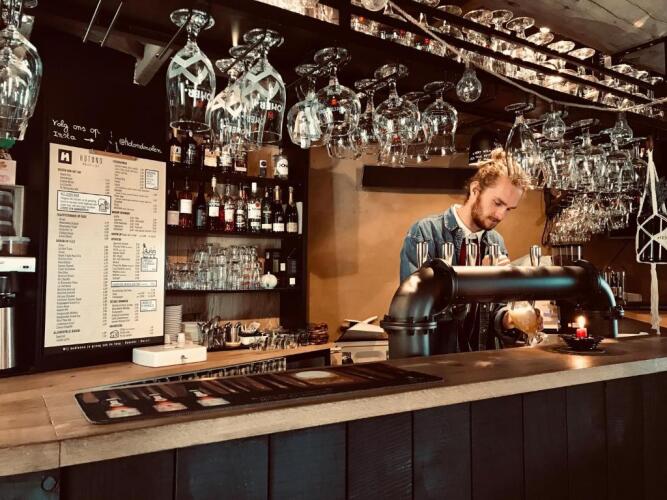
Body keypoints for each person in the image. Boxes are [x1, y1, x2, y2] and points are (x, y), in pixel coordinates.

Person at [399, 149, 541, 352]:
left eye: (509, 209)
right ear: (475, 190)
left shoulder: (496, 242)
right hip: (437, 362)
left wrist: (508, 319)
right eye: (497, 203)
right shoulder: (425, 233)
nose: (500, 215)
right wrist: (478, 282)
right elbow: (414, 307)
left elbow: (494, 313)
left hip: (483, 362)